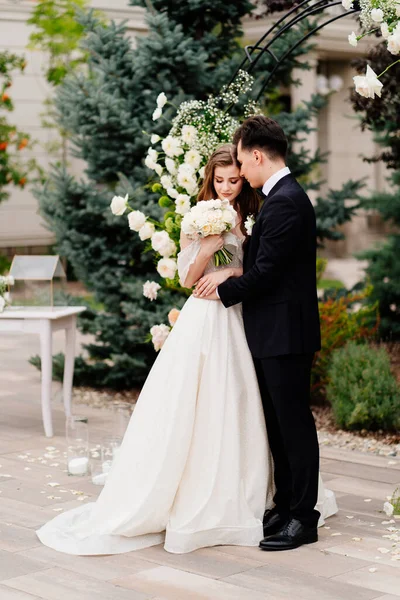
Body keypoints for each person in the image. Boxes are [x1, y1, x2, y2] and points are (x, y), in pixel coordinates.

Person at [36, 144, 275, 555]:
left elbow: (254, 268)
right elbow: (186, 277)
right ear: (209, 180)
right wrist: (207, 245)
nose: (226, 188)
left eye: (233, 180)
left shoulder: (252, 215)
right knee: (190, 398)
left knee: (234, 395)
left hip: (235, 313)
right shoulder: (198, 217)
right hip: (202, 315)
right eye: (218, 181)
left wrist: (233, 269)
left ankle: (243, 483)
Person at [194, 116, 327, 551]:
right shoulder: (278, 198)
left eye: (241, 161)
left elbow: (267, 273)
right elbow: (265, 263)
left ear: (256, 155)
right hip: (274, 330)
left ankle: (303, 518)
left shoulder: (286, 201)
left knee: (294, 425)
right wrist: (234, 267)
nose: (240, 172)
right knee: (277, 424)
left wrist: (223, 289)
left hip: (286, 332)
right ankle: (285, 505)